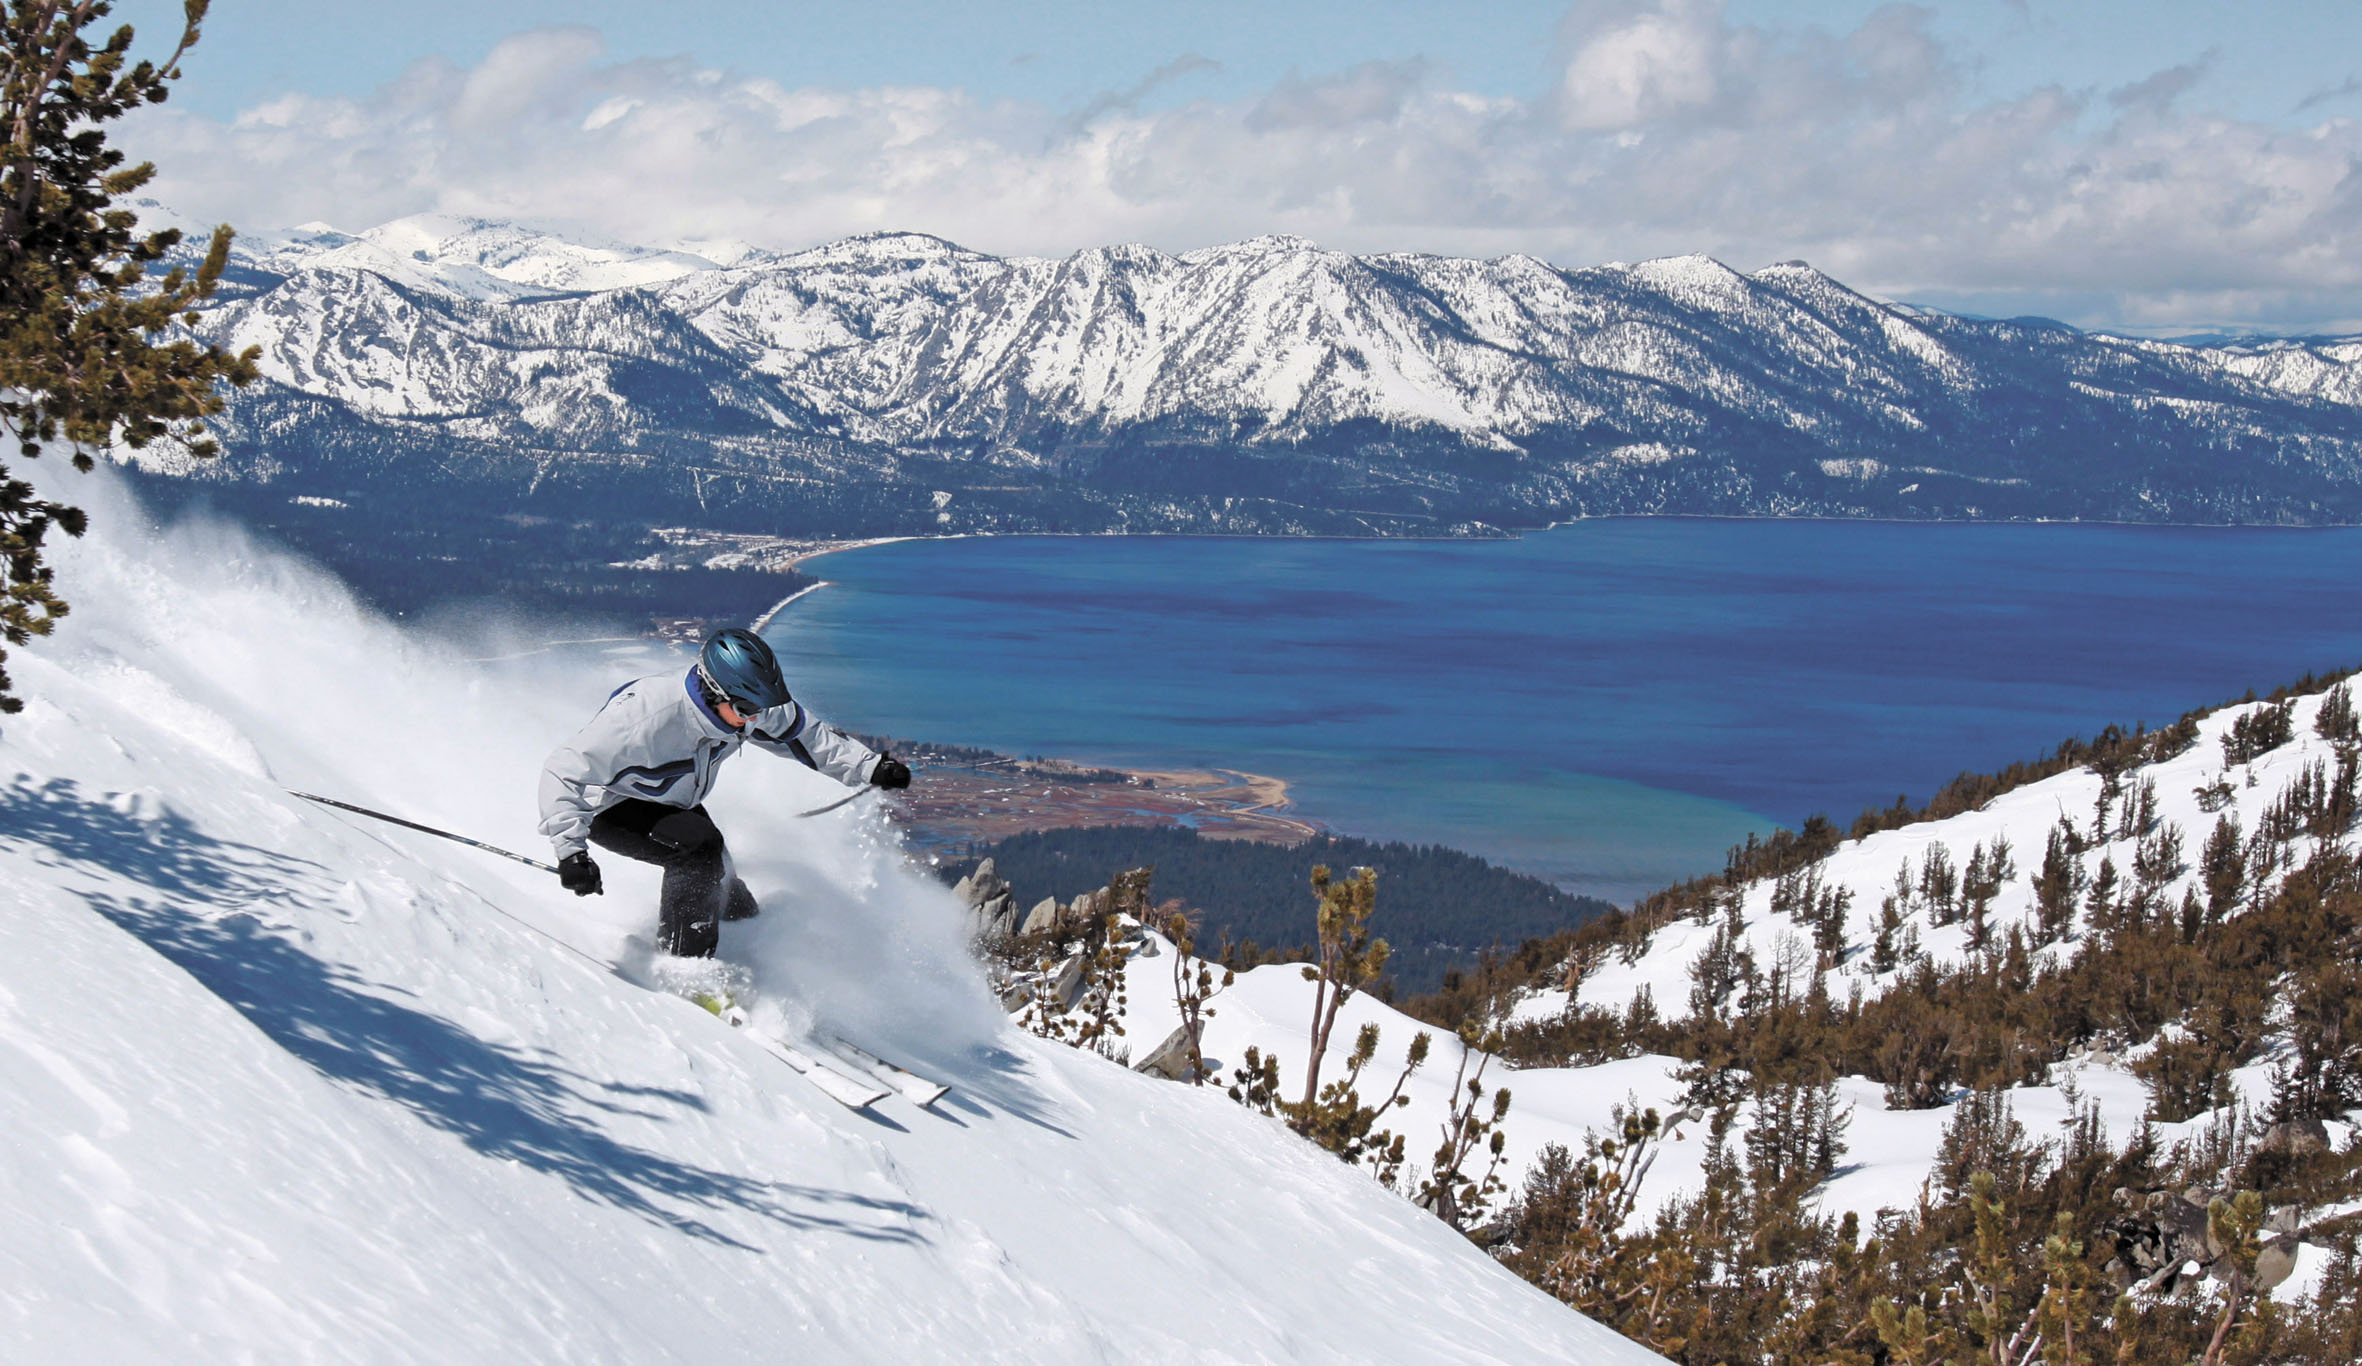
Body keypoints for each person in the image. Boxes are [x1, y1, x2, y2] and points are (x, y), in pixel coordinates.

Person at [537, 628, 911, 958]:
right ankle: (685, 967)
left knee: (723, 881)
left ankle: (742, 939)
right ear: (712, 691)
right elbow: (563, 770)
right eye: (747, 709)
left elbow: (806, 736)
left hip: (668, 800)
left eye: (762, 708)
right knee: (698, 854)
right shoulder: (644, 716)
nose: (755, 718)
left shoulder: (746, 706)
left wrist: (870, 766)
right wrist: (572, 854)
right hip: (610, 805)